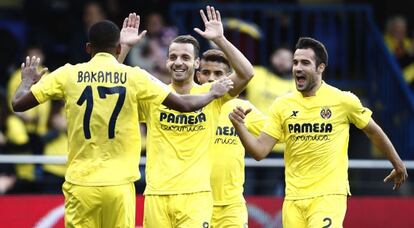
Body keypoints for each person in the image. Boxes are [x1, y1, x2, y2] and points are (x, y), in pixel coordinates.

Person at [11, 18, 233, 227]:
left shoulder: (67, 74)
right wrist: (212, 94)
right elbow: (184, 105)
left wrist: (26, 82)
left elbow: (18, 103)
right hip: (119, 184)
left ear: (88, 48)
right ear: (118, 49)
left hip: (80, 183)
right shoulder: (135, 77)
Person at [229, 37, 408, 228]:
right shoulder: (282, 105)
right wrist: (240, 125)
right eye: (295, 62)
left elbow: (373, 131)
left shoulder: (343, 100)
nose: (297, 67)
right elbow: (260, 151)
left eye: (305, 63)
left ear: (321, 68)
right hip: (293, 199)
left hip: (328, 196)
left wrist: (397, 163)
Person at [119, 6, 254, 227]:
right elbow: (109, 81)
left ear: (197, 63)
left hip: (196, 196)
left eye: (185, 57)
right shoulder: (153, 94)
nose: (178, 62)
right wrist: (124, 48)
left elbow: (247, 73)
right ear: (166, 62)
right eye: (173, 57)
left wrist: (220, 39)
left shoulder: (213, 93)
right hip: (156, 195)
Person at [196, 49, 267, 227]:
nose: (211, 78)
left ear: (230, 78)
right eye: (206, 73)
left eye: (218, 73)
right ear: (198, 76)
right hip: (195, 202)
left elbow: (276, 135)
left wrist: (241, 126)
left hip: (231, 206)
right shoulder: (185, 104)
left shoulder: (242, 108)